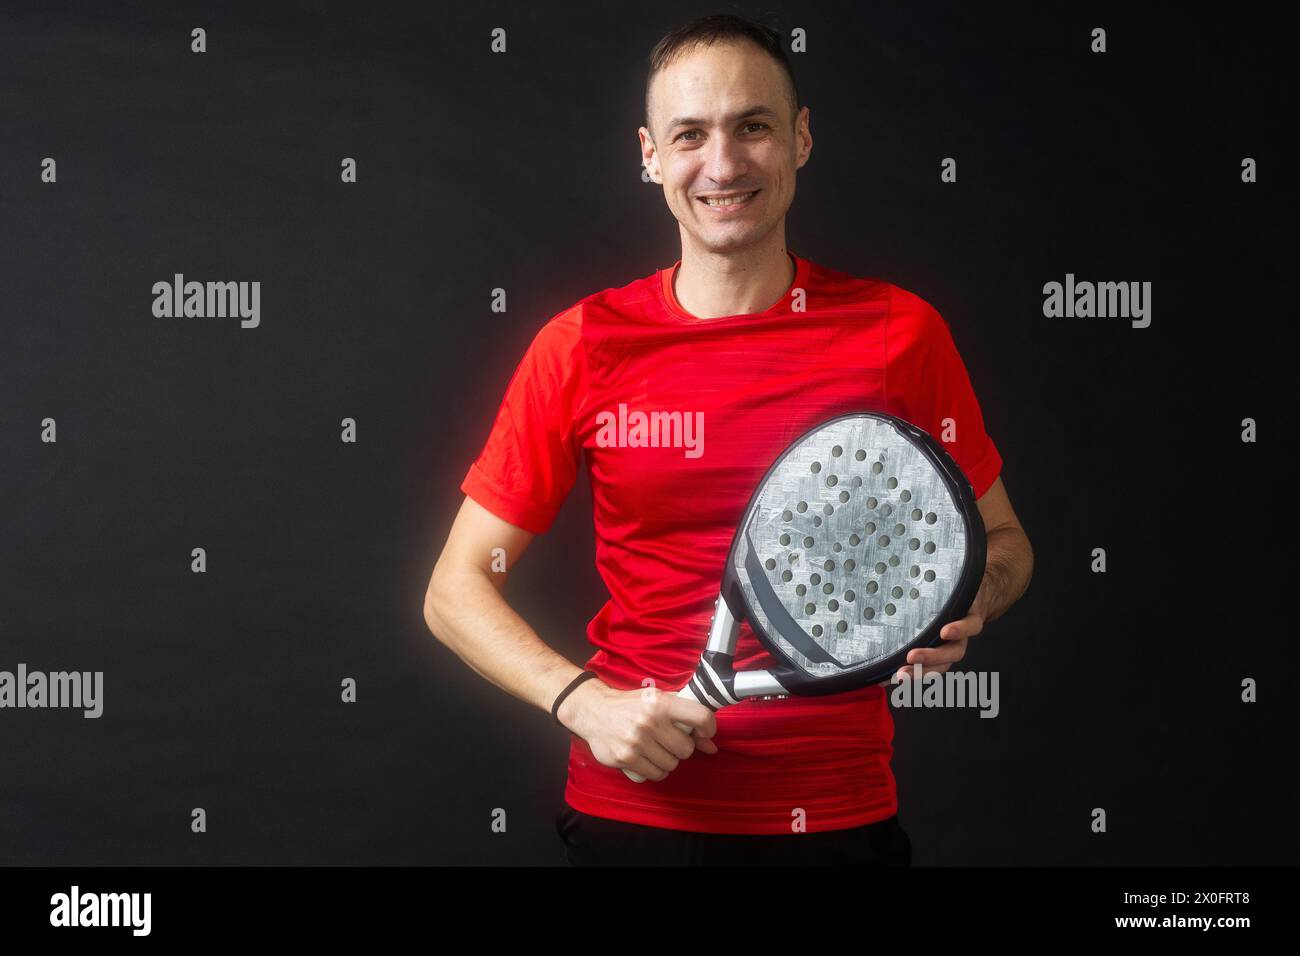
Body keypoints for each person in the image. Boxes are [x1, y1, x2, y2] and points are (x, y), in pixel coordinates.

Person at [423, 13, 1034, 866]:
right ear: (650, 156)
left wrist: (967, 596)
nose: (723, 163)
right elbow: (454, 589)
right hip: (635, 824)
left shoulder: (901, 333)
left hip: (840, 817)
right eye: (689, 135)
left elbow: (1005, 544)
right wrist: (584, 703)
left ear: (800, 138)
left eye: (753, 126)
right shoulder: (582, 345)